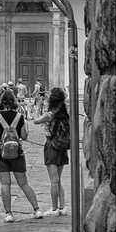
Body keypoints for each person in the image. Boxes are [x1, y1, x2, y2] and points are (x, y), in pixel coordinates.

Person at [0, 89, 45, 221]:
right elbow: (24, 137)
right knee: (24, 183)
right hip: (17, 152)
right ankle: (37, 210)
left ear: (1, 102)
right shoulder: (19, 117)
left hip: (1, 151)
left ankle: (9, 214)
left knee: (5, 184)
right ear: (14, 102)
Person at [41, 86, 70, 216]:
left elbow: (36, 120)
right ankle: (63, 207)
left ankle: (54, 209)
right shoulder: (65, 114)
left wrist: (37, 109)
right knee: (58, 179)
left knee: (53, 180)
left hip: (52, 146)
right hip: (62, 147)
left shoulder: (49, 115)